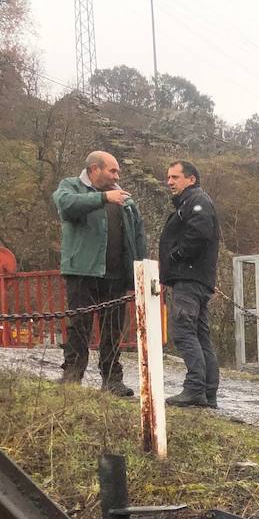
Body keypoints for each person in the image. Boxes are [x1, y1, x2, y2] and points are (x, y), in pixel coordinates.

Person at [52, 151, 146, 397]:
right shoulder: (70, 186)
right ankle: (72, 376)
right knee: (79, 326)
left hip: (115, 276)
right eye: (112, 171)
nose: (117, 175)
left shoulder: (126, 200)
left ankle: (112, 380)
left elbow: (138, 237)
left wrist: (141, 270)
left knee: (113, 330)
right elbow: (66, 207)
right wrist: (103, 198)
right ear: (95, 169)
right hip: (81, 272)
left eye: (117, 172)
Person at [159, 160, 221, 408]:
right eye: (168, 177)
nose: (170, 182)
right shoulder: (192, 202)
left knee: (184, 332)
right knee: (200, 335)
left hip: (189, 278)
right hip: (197, 279)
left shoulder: (197, 201)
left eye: (175, 177)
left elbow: (198, 232)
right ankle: (208, 392)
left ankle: (195, 388)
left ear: (191, 179)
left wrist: (176, 255)